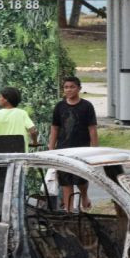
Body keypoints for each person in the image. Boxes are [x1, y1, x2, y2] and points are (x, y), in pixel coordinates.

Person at [50, 76, 98, 211]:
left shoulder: (86, 106)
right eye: (66, 87)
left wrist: (95, 150)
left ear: (79, 88)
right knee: (65, 180)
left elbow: (92, 129)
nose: (69, 90)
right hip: (63, 149)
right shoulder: (59, 106)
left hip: (82, 149)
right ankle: (69, 210)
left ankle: (84, 196)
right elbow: (54, 128)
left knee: (81, 178)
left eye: (72, 87)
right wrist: (51, 148)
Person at [0, 86, 39, 152]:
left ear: (6, 99)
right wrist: (35, 142)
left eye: (0, 97)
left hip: (2, 152)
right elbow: (33, 132)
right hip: (20, 152)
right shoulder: (22, 113)